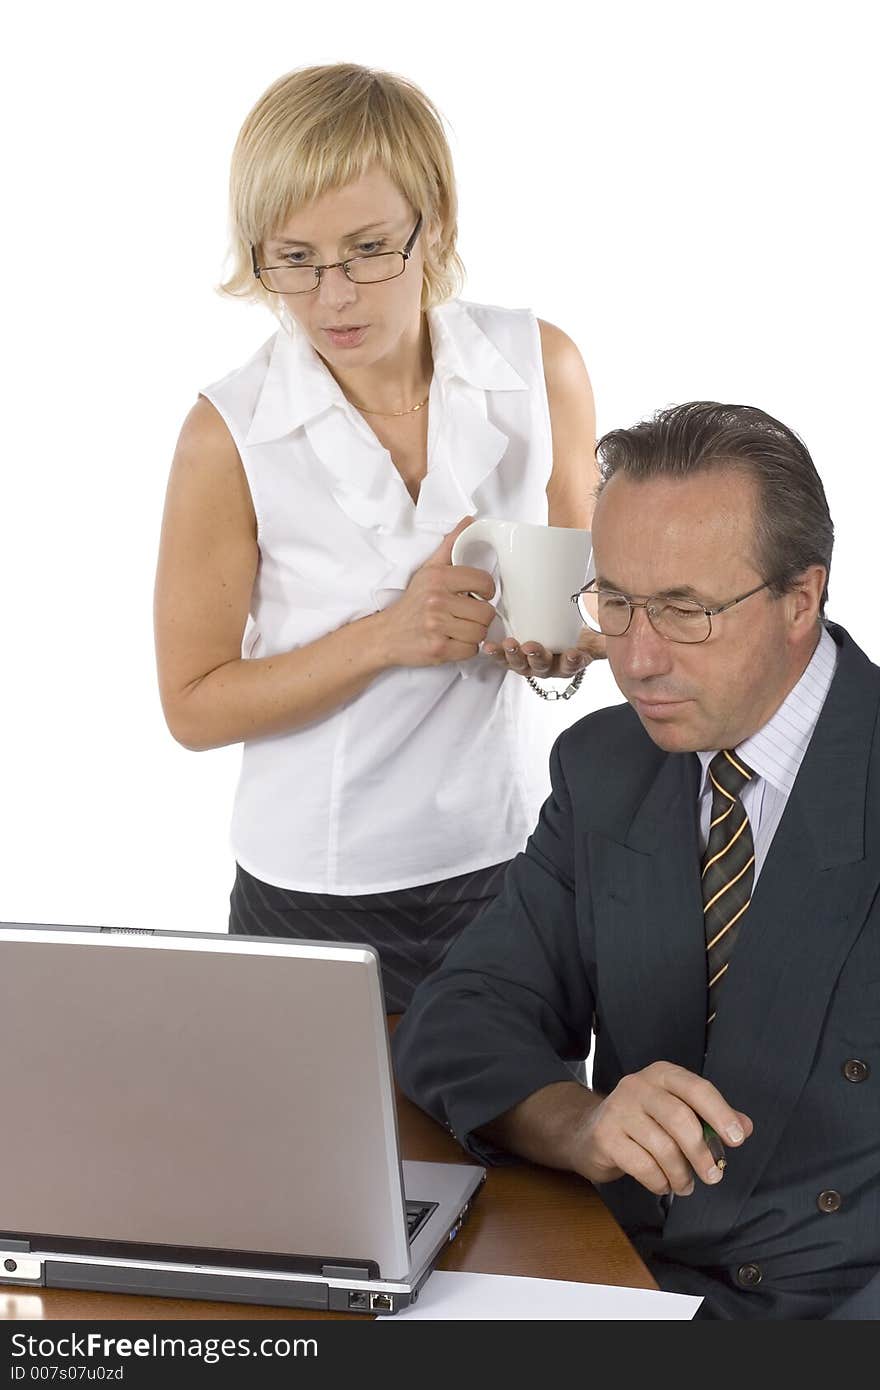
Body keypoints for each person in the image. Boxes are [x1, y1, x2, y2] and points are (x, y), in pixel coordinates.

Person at [393, 401, 880, 1319]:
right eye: (615, 601)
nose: (638, 657)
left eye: (686, 611)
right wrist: (581, 1124)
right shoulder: (603, 766)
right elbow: (459, 1019)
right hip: (621, 1280)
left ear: (802, 600)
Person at [153, 64, 602, 1012]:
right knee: (306, 1159)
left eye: (367, 250)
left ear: (430, 221)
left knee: (517, 1156)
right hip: (309, 890)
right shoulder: (227, 433)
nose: (333, 298)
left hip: (506, 860)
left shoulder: (539, 368)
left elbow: (596, 602)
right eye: (295, 259)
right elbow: (192, 706)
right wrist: (390, 635)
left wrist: (560, 645)